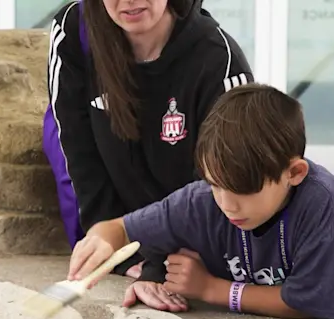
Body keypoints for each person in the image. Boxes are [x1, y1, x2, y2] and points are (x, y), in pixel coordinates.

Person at [67, 84, 334, 319]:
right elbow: (119, 229)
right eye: (216, 183)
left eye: (245, 190)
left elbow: (310, 303)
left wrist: (211, 288)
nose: (228, 204)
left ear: (294, 173)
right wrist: (101, 241)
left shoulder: (323, 205)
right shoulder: (202, 201)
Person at [43, 0, 253, 292]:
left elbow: (218, 185)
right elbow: (75, 146)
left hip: (185, 225)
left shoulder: (219, 61)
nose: (129, 1)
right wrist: (111, 242)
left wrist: (158, 263)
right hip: (115, 215)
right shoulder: (75, 30)